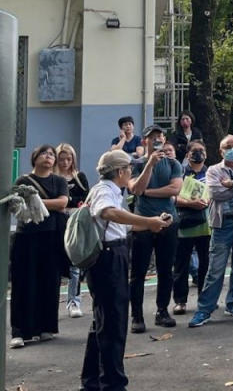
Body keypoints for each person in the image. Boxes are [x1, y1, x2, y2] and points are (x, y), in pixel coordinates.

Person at [81, 151, 171, 391]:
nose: (131, 172)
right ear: (120, 171)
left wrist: (151, 221)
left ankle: (92, 381)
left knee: (103, 320)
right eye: (129, 169)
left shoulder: (109, 190)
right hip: (108, 257)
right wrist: (147, 222)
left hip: (111, 253)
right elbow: (108, 213)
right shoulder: (105, 190)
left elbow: (119, 223)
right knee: (113, 322)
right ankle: (113, 383)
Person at [188, 134, 233, 328]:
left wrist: (232, 184)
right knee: (215, 269)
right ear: (221, 151)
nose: (232, 149)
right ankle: (204, 309)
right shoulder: (213, 171)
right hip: (222, 224)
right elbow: (215, 192)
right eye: (228, 146)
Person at [9, 145, 69, 349]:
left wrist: (36, 201)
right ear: (34, 158)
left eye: (52, 154)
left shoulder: (59, 181)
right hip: (26, 236)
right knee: (23, 282)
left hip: (51, 236)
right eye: (44, 153)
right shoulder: (23, 181)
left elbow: (63, 203)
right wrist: (45, 203)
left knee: (49, 282)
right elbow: (18, 205)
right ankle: (19, 331)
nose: (48, 157)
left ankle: (45, 327)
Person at [129, 126, 183, 332]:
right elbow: (135, 188)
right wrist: (149, 165)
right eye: (153, 138)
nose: (157, 141)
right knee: (138, 271)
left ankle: (162, 311)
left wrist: (148, 192)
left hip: (168, 221)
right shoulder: (137, 164)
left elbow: (174, 189)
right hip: (142, 223)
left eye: (160, 137)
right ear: (145, 142)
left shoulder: (173, 163)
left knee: (165, 269)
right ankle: (137, 316)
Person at [173, 140, 211, 314]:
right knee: (181, 264)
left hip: (207, 226)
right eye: (195, 151)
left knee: (206, 264)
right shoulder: (180, 172)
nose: (198, 154)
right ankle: (180, 301)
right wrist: (190, 203)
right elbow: (173, 197)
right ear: (187, 154)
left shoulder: (210, 173)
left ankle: (205, 300)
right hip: (184, 225)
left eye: (201, 151)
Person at [54, 142, 89, 318]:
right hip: (56, 222)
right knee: (54, 264)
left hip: (75, 221)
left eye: (69, 159)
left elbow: (84, 198)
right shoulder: (52, 178)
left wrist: (65, 201)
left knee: (75, 264)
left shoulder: (79, 177)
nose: (65, 162)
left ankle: (74, 302)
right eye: (62, 159)